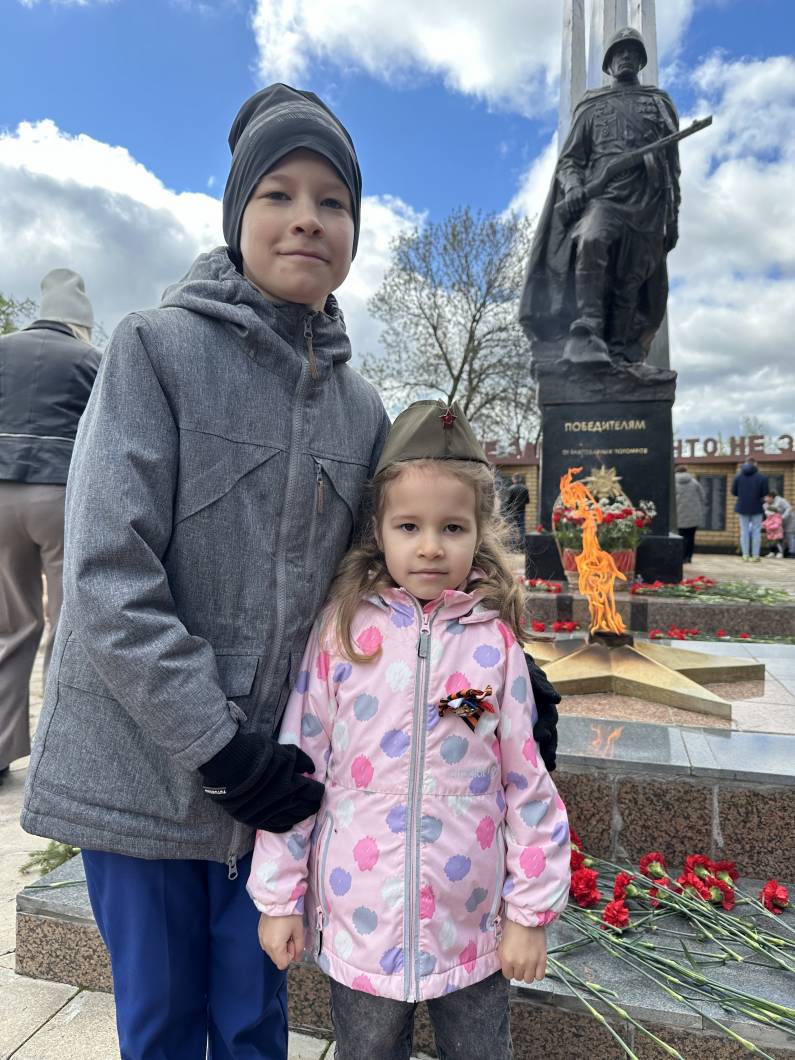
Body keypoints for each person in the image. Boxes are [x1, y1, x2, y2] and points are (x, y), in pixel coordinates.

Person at [22, 84, 392, 1060]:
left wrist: (495, 670)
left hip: (270, 792)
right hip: (145, 776)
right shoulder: (155, 350)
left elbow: (388, 584)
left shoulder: (362, 410)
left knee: (252, 1022)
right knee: (163, 1025)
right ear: (236, 216)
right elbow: (107, 576)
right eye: (278, 193)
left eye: (333, 200)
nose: (307, 217)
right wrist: (219, 748)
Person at [250, 400, 571, 1060]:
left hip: (472, 925)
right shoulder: (342, 635)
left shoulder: (490, 647)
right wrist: (279, 899)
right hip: (361, 917)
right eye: (409, 526)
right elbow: (298, 768)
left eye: (452, 527)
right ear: (379, 530)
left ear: (478, 531)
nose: (430, 546)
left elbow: (525, 783)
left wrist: (529, 914)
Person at [520, 26, 680, 365]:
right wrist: (574, 187)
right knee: (591, 238)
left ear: (641, 60)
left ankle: (621, 354)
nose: (626, 56)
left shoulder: (658, 102)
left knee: (631, 279)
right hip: (604, 198)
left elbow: (672, 169)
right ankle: (587, 329)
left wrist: (673, 217)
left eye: (632, 52)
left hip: (648, 204)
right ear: (609, 63)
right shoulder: (593, 106)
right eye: (619, 52)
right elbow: (570, 160)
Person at [0, 269, 100, 786]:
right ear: (80, 319)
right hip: (61, 497)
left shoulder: (2, 349)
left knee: (12, 626)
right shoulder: (90, 359)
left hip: (0, 495)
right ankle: (58, 753)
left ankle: (0, 748)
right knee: (67, 629)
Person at [731, 459, 769, 562]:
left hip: (742, 506)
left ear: (745, 463)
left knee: (744, 531)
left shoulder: (738, 476)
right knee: (756, 531)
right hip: (757, 506)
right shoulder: (762, 477)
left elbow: (733, 492)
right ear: (756, 464)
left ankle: (745, 555)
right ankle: (755, 556)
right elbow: (765, 492)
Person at [674, 464, 705, 564]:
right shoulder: (695, 482)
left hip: (679, 515)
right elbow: (703, 497)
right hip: (694, 516)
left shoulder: (673, 483)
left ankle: (681, 556)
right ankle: (689, 557)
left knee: (681, 536)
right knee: (691, 537)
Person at [503, 472, 530, 551]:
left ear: (513, 479)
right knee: (522, 529)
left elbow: (508, 502)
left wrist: (506, 512)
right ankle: (523, 547)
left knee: (512, 529)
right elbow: (527, 501)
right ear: (520, 479)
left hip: (513, 512)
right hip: (522, 511)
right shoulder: (525, 488)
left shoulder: (510, 489)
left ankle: (513, 547)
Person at [764, 490, 795, 558]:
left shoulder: (780, 501)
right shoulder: (765, 505)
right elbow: (768, 516)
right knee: (779, 537)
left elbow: (789, 508)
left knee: (789, 535)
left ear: (771, 497)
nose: (765, 499)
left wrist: (782, 517)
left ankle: (792, 553)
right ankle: (780, 552)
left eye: (766, 497)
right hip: (777, 524)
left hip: (788, 521)